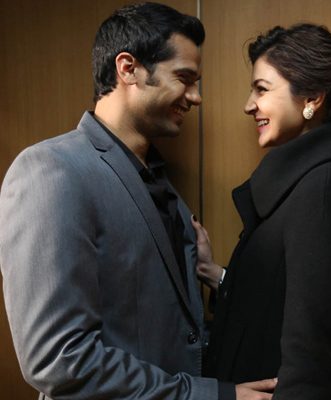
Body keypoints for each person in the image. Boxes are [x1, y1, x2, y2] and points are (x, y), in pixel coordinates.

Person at [0, 3, 275, 399]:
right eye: (184, 78)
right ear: (128, 68)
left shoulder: (162, 185)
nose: (195, 97)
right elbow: (60, 361)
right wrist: (214, 396)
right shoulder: (51, 170)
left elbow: (173, 333)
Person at [193, 24, 331, 399]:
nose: (249, 105)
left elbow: (312, 362)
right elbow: (283, 299)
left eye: (261, 89)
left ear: (312, 97)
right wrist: (215, 274)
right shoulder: (305, 183)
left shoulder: (324, 190)